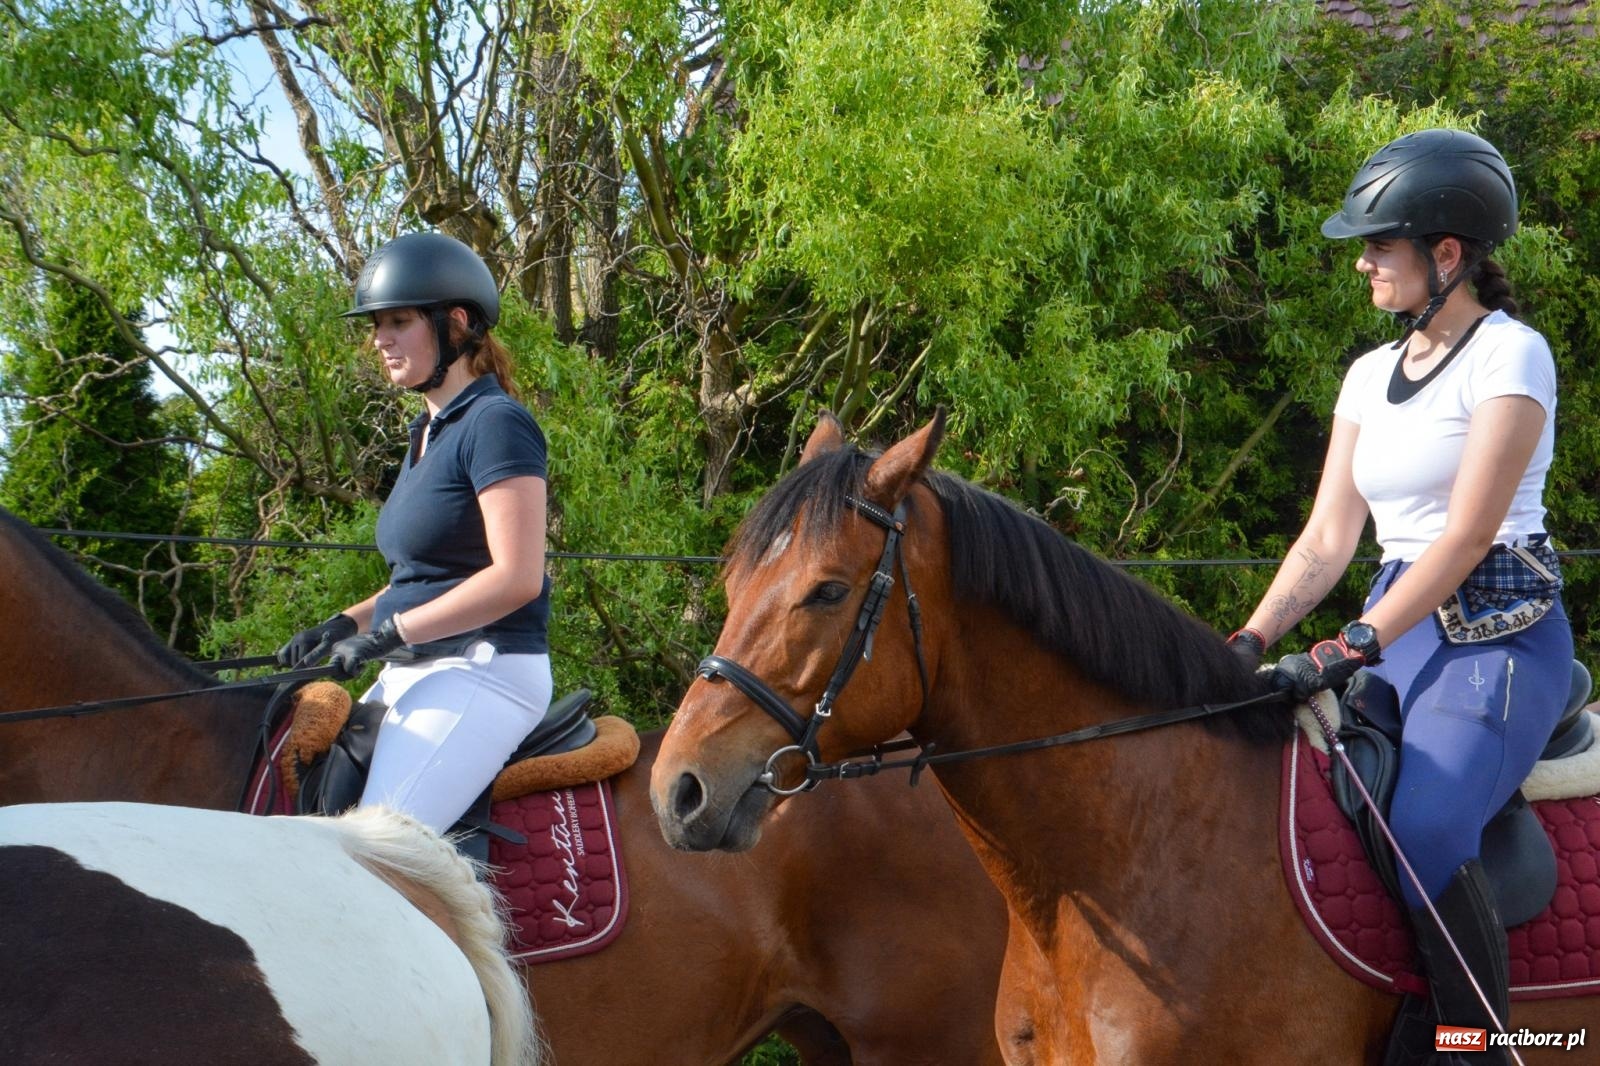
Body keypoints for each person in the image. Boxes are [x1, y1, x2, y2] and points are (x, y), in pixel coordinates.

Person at [1226, 129, 1569, 1065]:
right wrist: (1250, 638)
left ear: (1446, 255)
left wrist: (1352, 644)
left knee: (1420, 822)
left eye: (1381, 245)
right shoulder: (1368, 377)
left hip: (1498, 629)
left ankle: (1476, 1046)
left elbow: (1464, 536)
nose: (1366, 264)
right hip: (1396, 623)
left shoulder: (1513, 357)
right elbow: (1329, 536)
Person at [278, 231, 553, 836]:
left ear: (455, 325)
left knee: (377, 844)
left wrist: (389, 634)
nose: (380, 339)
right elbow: (424, 577)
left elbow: (516, 577)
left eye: (398, 322)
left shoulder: (497, 424)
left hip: (486, 667)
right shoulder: (425, 434)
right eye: (377, 325)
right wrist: (345, 623)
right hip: (414, 665)